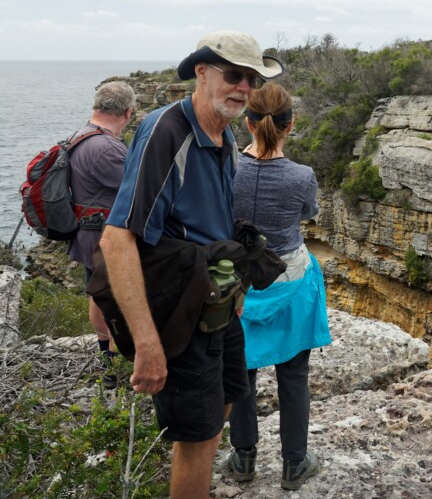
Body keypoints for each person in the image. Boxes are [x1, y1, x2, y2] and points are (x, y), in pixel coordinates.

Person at [98, 31, 283, 499]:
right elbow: (117, 239)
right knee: (197, 439)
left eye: (252, 79)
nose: (244, 87)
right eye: (234, 75)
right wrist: (148, 344)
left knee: (225, 403)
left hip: (217, 306)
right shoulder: (167, 131)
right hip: (180, 313)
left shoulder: (223, 136)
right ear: (201, 72)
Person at [227, 83, 330, 491]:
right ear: (291, 124)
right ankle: (294, 463)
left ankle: (243, 457)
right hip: (289, 280)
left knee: (241, 371)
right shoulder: (302, 176)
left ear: (248, 123)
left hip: (239, 286)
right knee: (294, 375)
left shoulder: (227, 167)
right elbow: (308, 212)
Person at [67, 81, 135, 388]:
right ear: (128, 113)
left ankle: (107, 361)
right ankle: (116, 367)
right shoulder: (105, 148)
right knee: (118, 302)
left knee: (98, 295)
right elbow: (139, 189)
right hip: (105, 239)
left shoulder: (81, 135)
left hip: (88, 233)